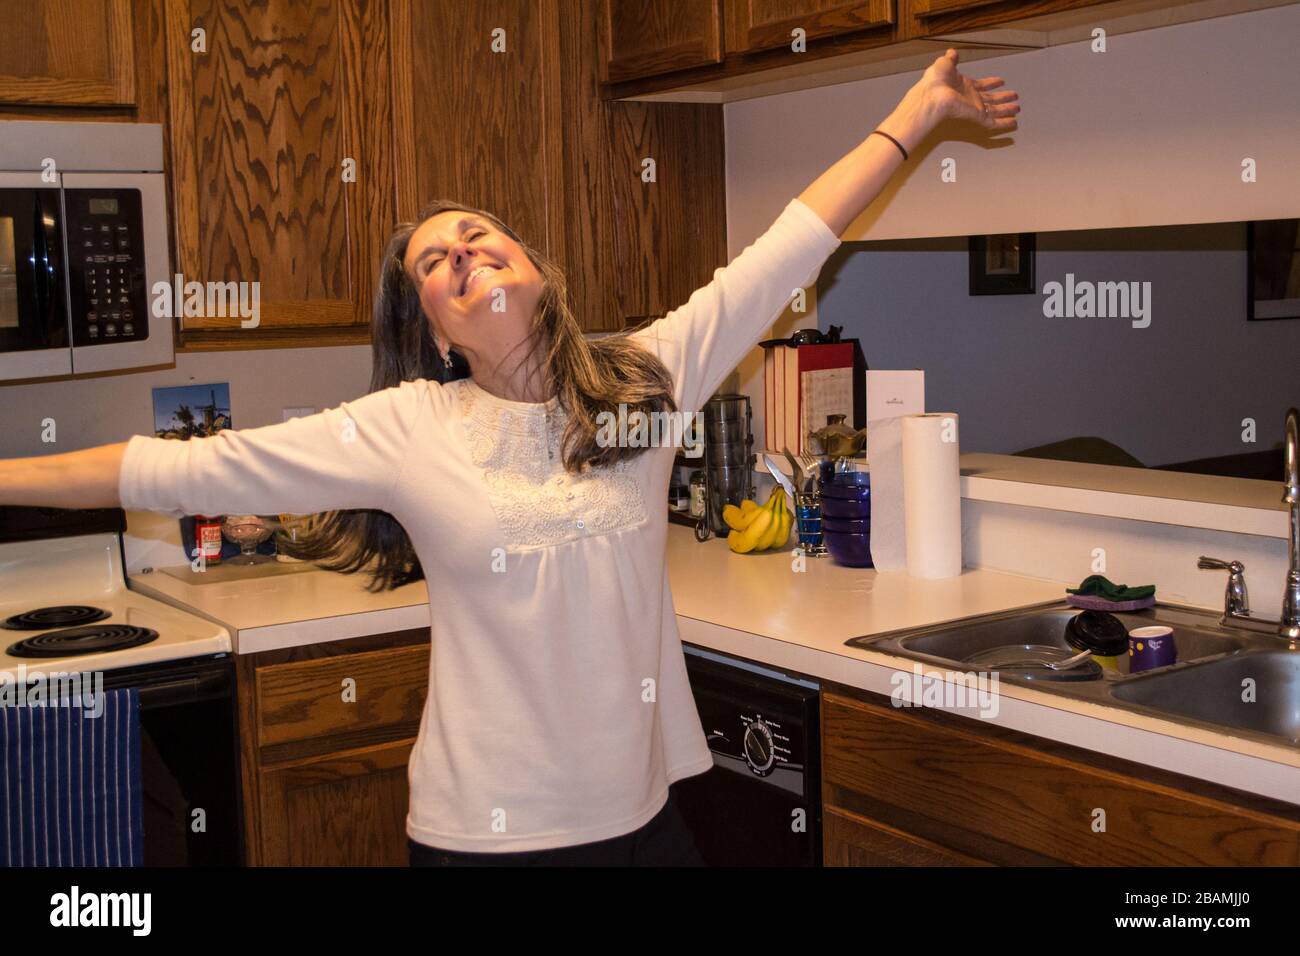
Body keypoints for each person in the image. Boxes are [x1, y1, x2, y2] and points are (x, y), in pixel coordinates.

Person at [0, 50, 1018, 866]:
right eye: (435, 262)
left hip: (636, 817)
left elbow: (792, 245)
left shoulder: (647, 378)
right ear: (438, 329)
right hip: (479, 831)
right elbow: (184, 470)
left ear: (534, 269)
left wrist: (916, 117)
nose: (463, 255)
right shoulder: (408, 424)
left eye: (478, 235)